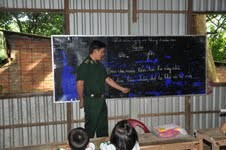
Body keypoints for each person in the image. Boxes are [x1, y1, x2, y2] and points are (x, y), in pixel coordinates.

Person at [76, 40, 130, 138]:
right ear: (95, 51)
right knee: (90, 129)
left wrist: (122, 89)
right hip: (91, 101)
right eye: (102, 51)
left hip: (101, 100)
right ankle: (88, 147)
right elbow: (80, 84)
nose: (103, 54)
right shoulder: (85, 66)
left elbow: (108, 79)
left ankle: (104, 146)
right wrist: (81, 99)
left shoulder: (100, 66)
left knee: (103, 128)